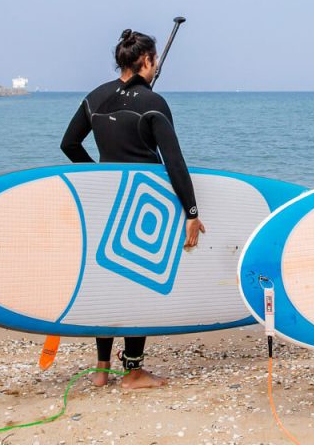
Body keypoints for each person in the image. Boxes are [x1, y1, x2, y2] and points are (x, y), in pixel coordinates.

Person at [60, 28, 207, 388]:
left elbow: (69, 144)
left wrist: (99, 175)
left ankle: (100, 370)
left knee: (107, 279)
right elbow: (174, 162)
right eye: (153, 61)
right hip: (143, 204)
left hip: (106, 201)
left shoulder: (95, 97)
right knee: (138, 280)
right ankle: (135, 372)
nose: (155, 67)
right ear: (146, 61)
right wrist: (191, 212)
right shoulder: (153, 103)